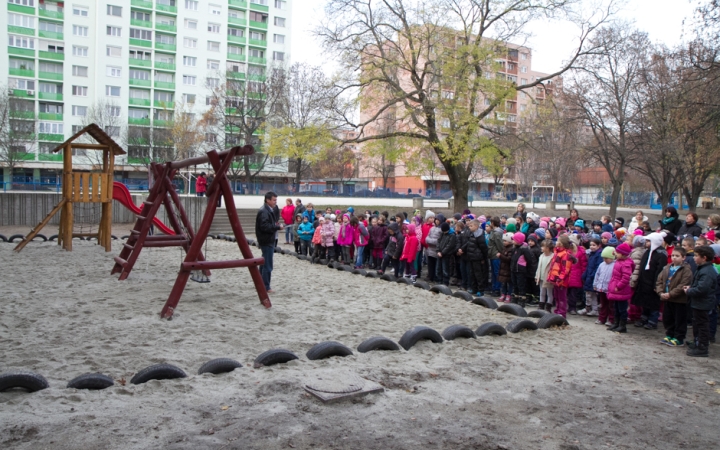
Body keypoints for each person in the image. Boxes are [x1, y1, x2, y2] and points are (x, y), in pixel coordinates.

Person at [684, 245, 718, 357]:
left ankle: (702, 347)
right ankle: (697, 342)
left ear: (704, 258)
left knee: (702, 325)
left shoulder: (707, 271)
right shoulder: (703, 269)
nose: (694, 258)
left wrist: (689, 291)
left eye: (696, 256)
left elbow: (702, 289)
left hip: (703, 303)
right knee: (697, 323)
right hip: (699, 303)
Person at [655, 247, 693, 346]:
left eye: (677, 256)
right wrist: (660, 292)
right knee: (668, 318)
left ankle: (679, 337)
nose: (674, 258)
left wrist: (670, 294)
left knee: (679, 319)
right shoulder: (667, 267)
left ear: (683, 257)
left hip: (679, 300)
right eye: (672, 255)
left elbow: (683, 284)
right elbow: (659, 281)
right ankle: (669, 334)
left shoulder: (686, 270)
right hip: (667, 298)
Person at [632, 233, 669, 330]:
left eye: (649, 241)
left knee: (653, 302)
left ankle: (653, 320)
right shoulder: (647, 252)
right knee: (644, 301)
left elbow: (660, 270)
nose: (646, 243)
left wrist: (656, 284)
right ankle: (644, 317)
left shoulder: (661, 254)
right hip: (644, 281)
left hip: (653, 282)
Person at [255, 191, 283, 293]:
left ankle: (260, 282)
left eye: (276, 200)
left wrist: (275, 224)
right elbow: (264, 226)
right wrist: (277, 227)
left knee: (264, 262)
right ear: (268, 200)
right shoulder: (264, 211)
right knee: (268, 264)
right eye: (274, 200)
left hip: (268, 239)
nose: (275, 202)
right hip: (266, 240)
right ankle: (266, 287)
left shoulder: (268, 210)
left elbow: (268, 224)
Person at [607, 242, 635, 333]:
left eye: (617, 252)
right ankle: (616, 323)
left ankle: (622, 325)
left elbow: (626, 277)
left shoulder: (626, 264)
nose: (615, 253)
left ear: (623, 254)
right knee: (616, 307)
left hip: (621, 290)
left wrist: (619, 286)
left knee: (622, 308)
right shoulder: (620, 261)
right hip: (616, 288)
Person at [547, 235, 575, 318]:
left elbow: (565, 269)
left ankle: (562, 312)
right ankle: (557, 310)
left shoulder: (565, 254)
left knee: (562, 297)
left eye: (558, 241)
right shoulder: (557, 252)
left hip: (562, 280)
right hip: (555, 279)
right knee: (557, 296)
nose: (556, 242)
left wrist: (560, 278)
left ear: (562, 244)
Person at [579, 238, 604, 316]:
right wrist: (585, 275)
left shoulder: (598, 255)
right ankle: (590, 308)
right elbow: (589, 266)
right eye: (591, 245)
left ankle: (592, 308)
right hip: (589, 276)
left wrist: (591, 276)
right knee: (589, 294)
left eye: (594, 245)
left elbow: (597, 267)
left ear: (599, 245)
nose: (592, 247)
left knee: (591, 294)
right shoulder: (592, 254)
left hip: (593, 277)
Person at [509, 232, 534, 307]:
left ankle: (522, 299)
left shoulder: (524, 249)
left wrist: (524, 267)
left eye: (514, 240)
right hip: (513, 269)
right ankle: (515, 298)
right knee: (515, 284)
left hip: (521, 270)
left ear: (518, 241)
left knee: (521, 285)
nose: (512, 241)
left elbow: (529, 260)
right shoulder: (514, 248)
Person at [466, 219, 489, 297]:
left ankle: (480, 290)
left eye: (471, 226)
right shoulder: (471, 234)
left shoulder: (480, 236)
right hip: (471, 257)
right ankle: (474, 288)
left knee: (478, 275)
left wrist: (483, 258)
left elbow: (483, 248)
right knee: (472, 274)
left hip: (478, 258)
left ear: (476, 226)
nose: (469, 227)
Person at [594, 246, 616, 325]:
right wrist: (595, 284)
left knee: (611, 305)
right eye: (603, 258)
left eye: (606, 258)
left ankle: (611, 319)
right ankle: (602, 318)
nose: (605, 260)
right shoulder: (601, 265)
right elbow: (597, 275)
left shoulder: (615, 265)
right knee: (603, 304)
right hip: (602, 288)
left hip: (610, 289)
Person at [535, 240, 555, 311]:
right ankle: (541, 305)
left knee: (549, 293)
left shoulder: (553, 256)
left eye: (543, 246)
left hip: (548, 278)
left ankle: (548, 306)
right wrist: (537, 275)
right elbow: (539, 267)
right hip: (541, 277)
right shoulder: (541, 256)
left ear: (548, 248)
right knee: (542, 292)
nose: (541, 248)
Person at [487, 217, 504, 296]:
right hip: (492, 254)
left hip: (496, 255)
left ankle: (497, 289)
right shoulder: (493, 232)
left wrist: (500, 253)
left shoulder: (497, 233)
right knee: (493, 273)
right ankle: (494, 288)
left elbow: (500, 245)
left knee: (497, 272)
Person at [425, 214, 444, 282]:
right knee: (430, 265)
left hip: (436, 250)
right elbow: (427, 237)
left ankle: (436, 278)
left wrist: (430, 241)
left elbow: (439, 240)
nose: (436, 221)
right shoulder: (432, 228)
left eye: (438, 220)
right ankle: (430, 276)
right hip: (430, 250)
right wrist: (429, 240)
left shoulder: (441, 229)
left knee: (437, 265)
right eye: (436, 219)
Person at [498, 233, 515, 303]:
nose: (504, 242)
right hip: (503, 268)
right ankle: (503, 294)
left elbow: (509, 259)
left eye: (505, 241)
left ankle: (509, 295)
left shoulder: (511, 249)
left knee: (509, 283)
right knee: (503, 282)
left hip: (508, 268)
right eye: (503, 241)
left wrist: (501, 256)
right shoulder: (504, 248)